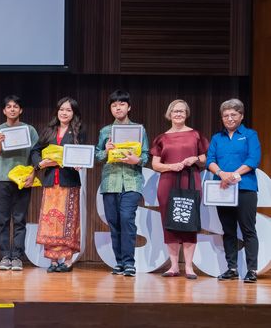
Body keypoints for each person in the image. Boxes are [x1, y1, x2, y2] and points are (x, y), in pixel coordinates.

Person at [150, 99, 208, 280]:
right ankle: (174, 266)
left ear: (186, 114)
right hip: (168, 182)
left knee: (188, 222)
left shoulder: (195, 135)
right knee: (170, 224)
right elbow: (155, 165)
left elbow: (205, 158)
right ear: (169, 114)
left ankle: (189, 267)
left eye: (182, 111)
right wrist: (172, 166)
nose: (178, 114)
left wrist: (195, 159)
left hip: (190, 180)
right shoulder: (161, 138)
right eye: (175, 111)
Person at [94, 89, 149, 277]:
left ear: (129, 107)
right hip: (110, 182)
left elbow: (146, 155)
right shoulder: (105, 131)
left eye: (121, 104)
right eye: (114, 105)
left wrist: (138, 160)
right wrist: (106, 151)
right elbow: (97, 155)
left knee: (127, 219)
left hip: (132, 181)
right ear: (111, 109)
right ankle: (119, 262)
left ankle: (129, 263)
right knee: (114, 222)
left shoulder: (139, 129)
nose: (118, 107)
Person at [206, 98, 261, 283]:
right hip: (222, 190)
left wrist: (233, 175)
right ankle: (232, 268)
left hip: (245, 188)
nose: (229, 118)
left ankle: (252, 270)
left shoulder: (250, 135)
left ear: (241, 116)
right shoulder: (216, 138)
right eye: (225, 115)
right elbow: (209, 160)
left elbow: (253, 160)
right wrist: (221, 174)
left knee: (248, 230)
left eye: (233, 114)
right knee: (228, 230)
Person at [31, 97, 85, 273]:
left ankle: (67, 261)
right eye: (62, 109)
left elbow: (83, 153)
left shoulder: (78, 131)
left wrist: (79, 162)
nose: (64, 113)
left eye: (68, 110)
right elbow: (35, 150)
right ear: (57, 111)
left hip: (68, 180)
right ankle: (53, 262)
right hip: (50, 182)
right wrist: (40, 164)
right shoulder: (49, 130)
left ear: (73, 113)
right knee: (50, 220)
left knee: (68, 220)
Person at [0, 95, 39, 271]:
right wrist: (0, 145)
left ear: (21, 110)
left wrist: (33, 173)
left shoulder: (29, 130)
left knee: (19, 219)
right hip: (1, 179)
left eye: (16, 106)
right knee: (2, 220)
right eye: (8, 107)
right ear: (4, 111)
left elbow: (35, 155)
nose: (12, 109)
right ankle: (4, 256)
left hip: (22, 179)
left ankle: (17, 256)